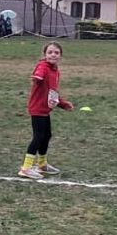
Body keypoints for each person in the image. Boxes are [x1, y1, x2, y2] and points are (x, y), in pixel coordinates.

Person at [17, 42, 74, 179]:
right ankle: (26, 168)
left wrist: (62, 104)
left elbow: (52, 93)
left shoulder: (55, 71)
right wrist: (37, 77)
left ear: (60, 55)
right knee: (38, 136)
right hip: (37, 108)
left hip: (45, 109)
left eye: (56, 52)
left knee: (47, 135)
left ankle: (42, 164)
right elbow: (38, 74)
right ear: (45, 54)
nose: (53, 55)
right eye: (50, 52)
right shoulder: (42, 66)